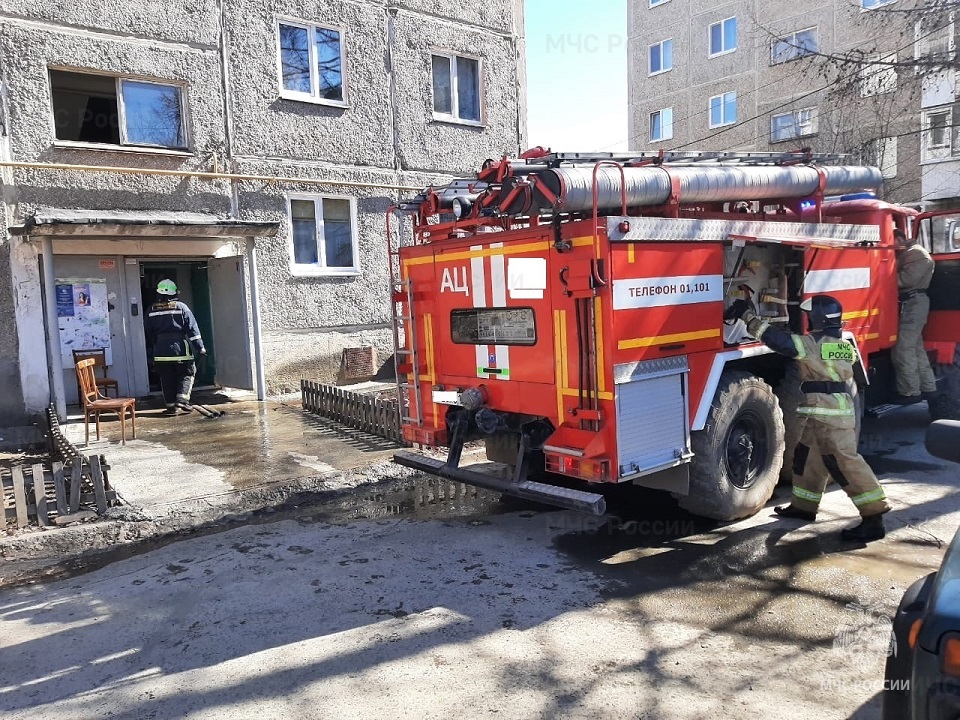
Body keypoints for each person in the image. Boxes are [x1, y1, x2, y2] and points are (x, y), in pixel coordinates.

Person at [726, 294, 891, 542]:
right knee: (807, 458)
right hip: (822, 412)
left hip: (830, 416)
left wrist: (748, 317)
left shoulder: (813, 345)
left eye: (809, 316)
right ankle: (804, 507)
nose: (807, 319)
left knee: (844, 463)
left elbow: (779, 342)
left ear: (818, 318)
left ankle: (874, 517)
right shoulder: (841, 344)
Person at [145, 279, 206, 414]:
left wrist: (156, 345)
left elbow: (148, 332)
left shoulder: (151, 310)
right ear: (174, 292)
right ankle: (182, 402)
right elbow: (192, 329)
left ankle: (171, 407)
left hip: (160, 351)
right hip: (180, 349)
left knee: (166, 378)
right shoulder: (181, 307)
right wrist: (200, 347)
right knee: (187, 373)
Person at [891, 228, 938, 405]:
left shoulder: (915, 253)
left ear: (900, 239)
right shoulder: (911, 252)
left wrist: (880, 276)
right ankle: (928, 387)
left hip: (913, 303)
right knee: (916, 348)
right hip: (913, 302)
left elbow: (905, 280)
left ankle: (910, 392)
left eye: (892, 241)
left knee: (904, 347)